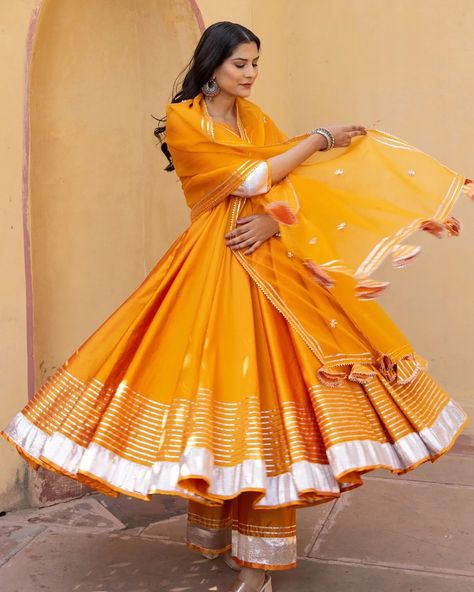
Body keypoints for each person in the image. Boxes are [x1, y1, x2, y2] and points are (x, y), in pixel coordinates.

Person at [1, 21, 470, 592]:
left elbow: (284, 187)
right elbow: (249, 177)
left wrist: (275, 218)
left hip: (273, 262)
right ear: (212, 65)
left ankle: (259, 560)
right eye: (240, 64)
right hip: (215, 264)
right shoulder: (185, 119)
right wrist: (318, 137)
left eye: (255, 64)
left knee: (277, 402)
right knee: (229, 397)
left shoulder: (257, 120)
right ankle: (227, 538)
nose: (250, 74)